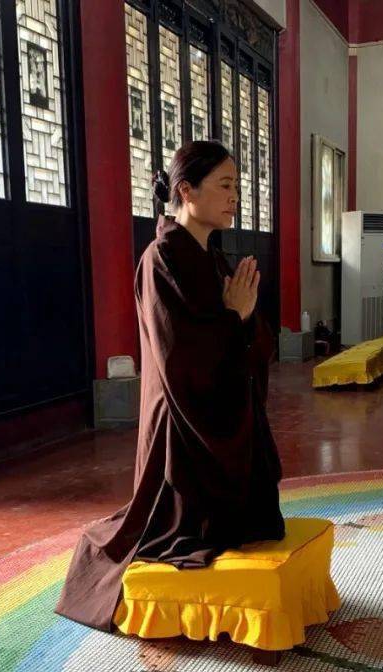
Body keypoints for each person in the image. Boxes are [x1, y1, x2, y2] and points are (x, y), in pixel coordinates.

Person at [56, 141, 285, 631]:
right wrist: (235, 317)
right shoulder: (162, 259)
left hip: (220, 403)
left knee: (252, 516)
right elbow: (180, 354)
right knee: (179, 528)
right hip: (183, 415)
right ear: (186, 190)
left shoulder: (216, 260)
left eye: (237, 187)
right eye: (225, 185)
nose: (235, 197)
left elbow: (254, 340)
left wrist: (244, 321)